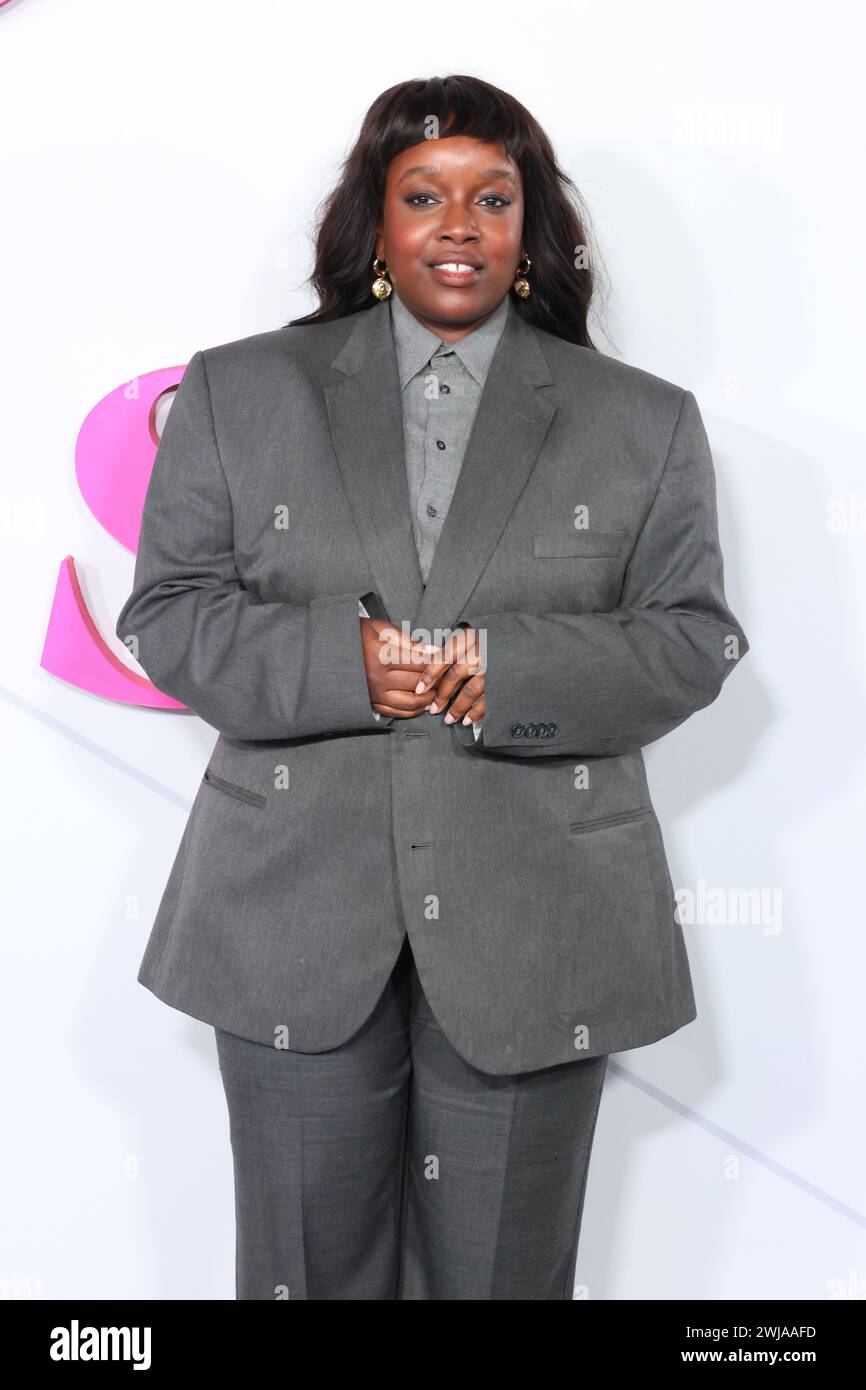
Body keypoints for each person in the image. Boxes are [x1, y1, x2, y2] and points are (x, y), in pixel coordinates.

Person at [116, 73, 750, 1300]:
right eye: (423, 195)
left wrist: (496, 669)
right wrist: (346, 664)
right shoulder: (242, 394)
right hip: (287, 916)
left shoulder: (643, 424)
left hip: (541, 923)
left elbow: (690, 640)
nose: (457, 224)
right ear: (377, 222)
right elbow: (170, 613)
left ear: (528, 232)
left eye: (490, 198)